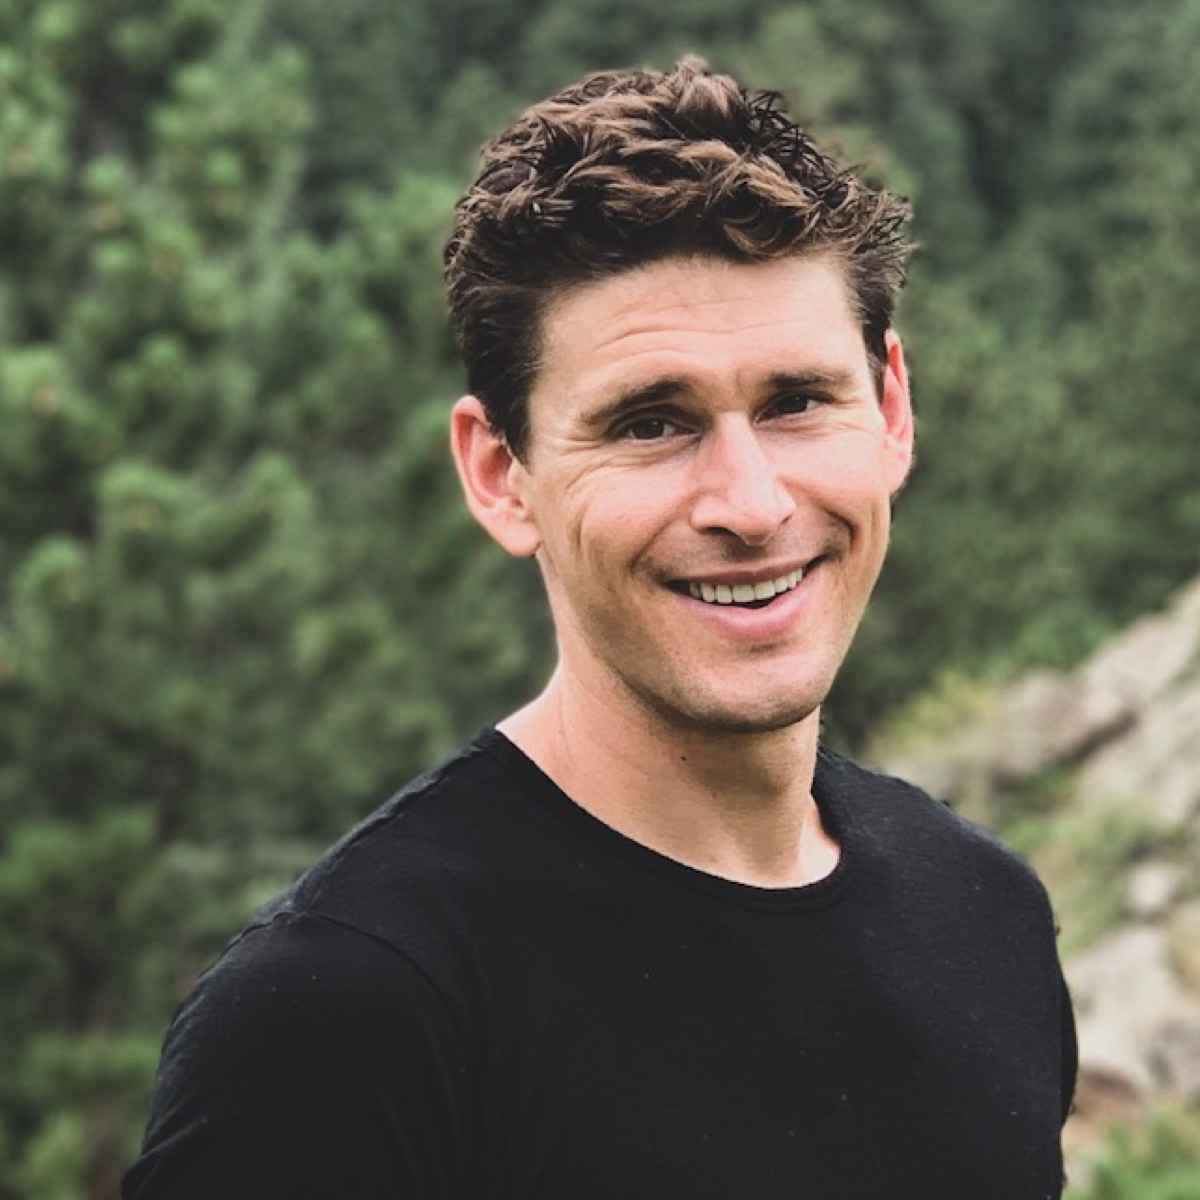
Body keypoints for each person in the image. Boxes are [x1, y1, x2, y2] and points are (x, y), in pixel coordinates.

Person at [124, 57, 1076, 1199]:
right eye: (650, 423)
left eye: (796, 402)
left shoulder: (984, 916)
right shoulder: (349, 1014)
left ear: (892, 411)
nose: (752, 504)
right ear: (499, 474)